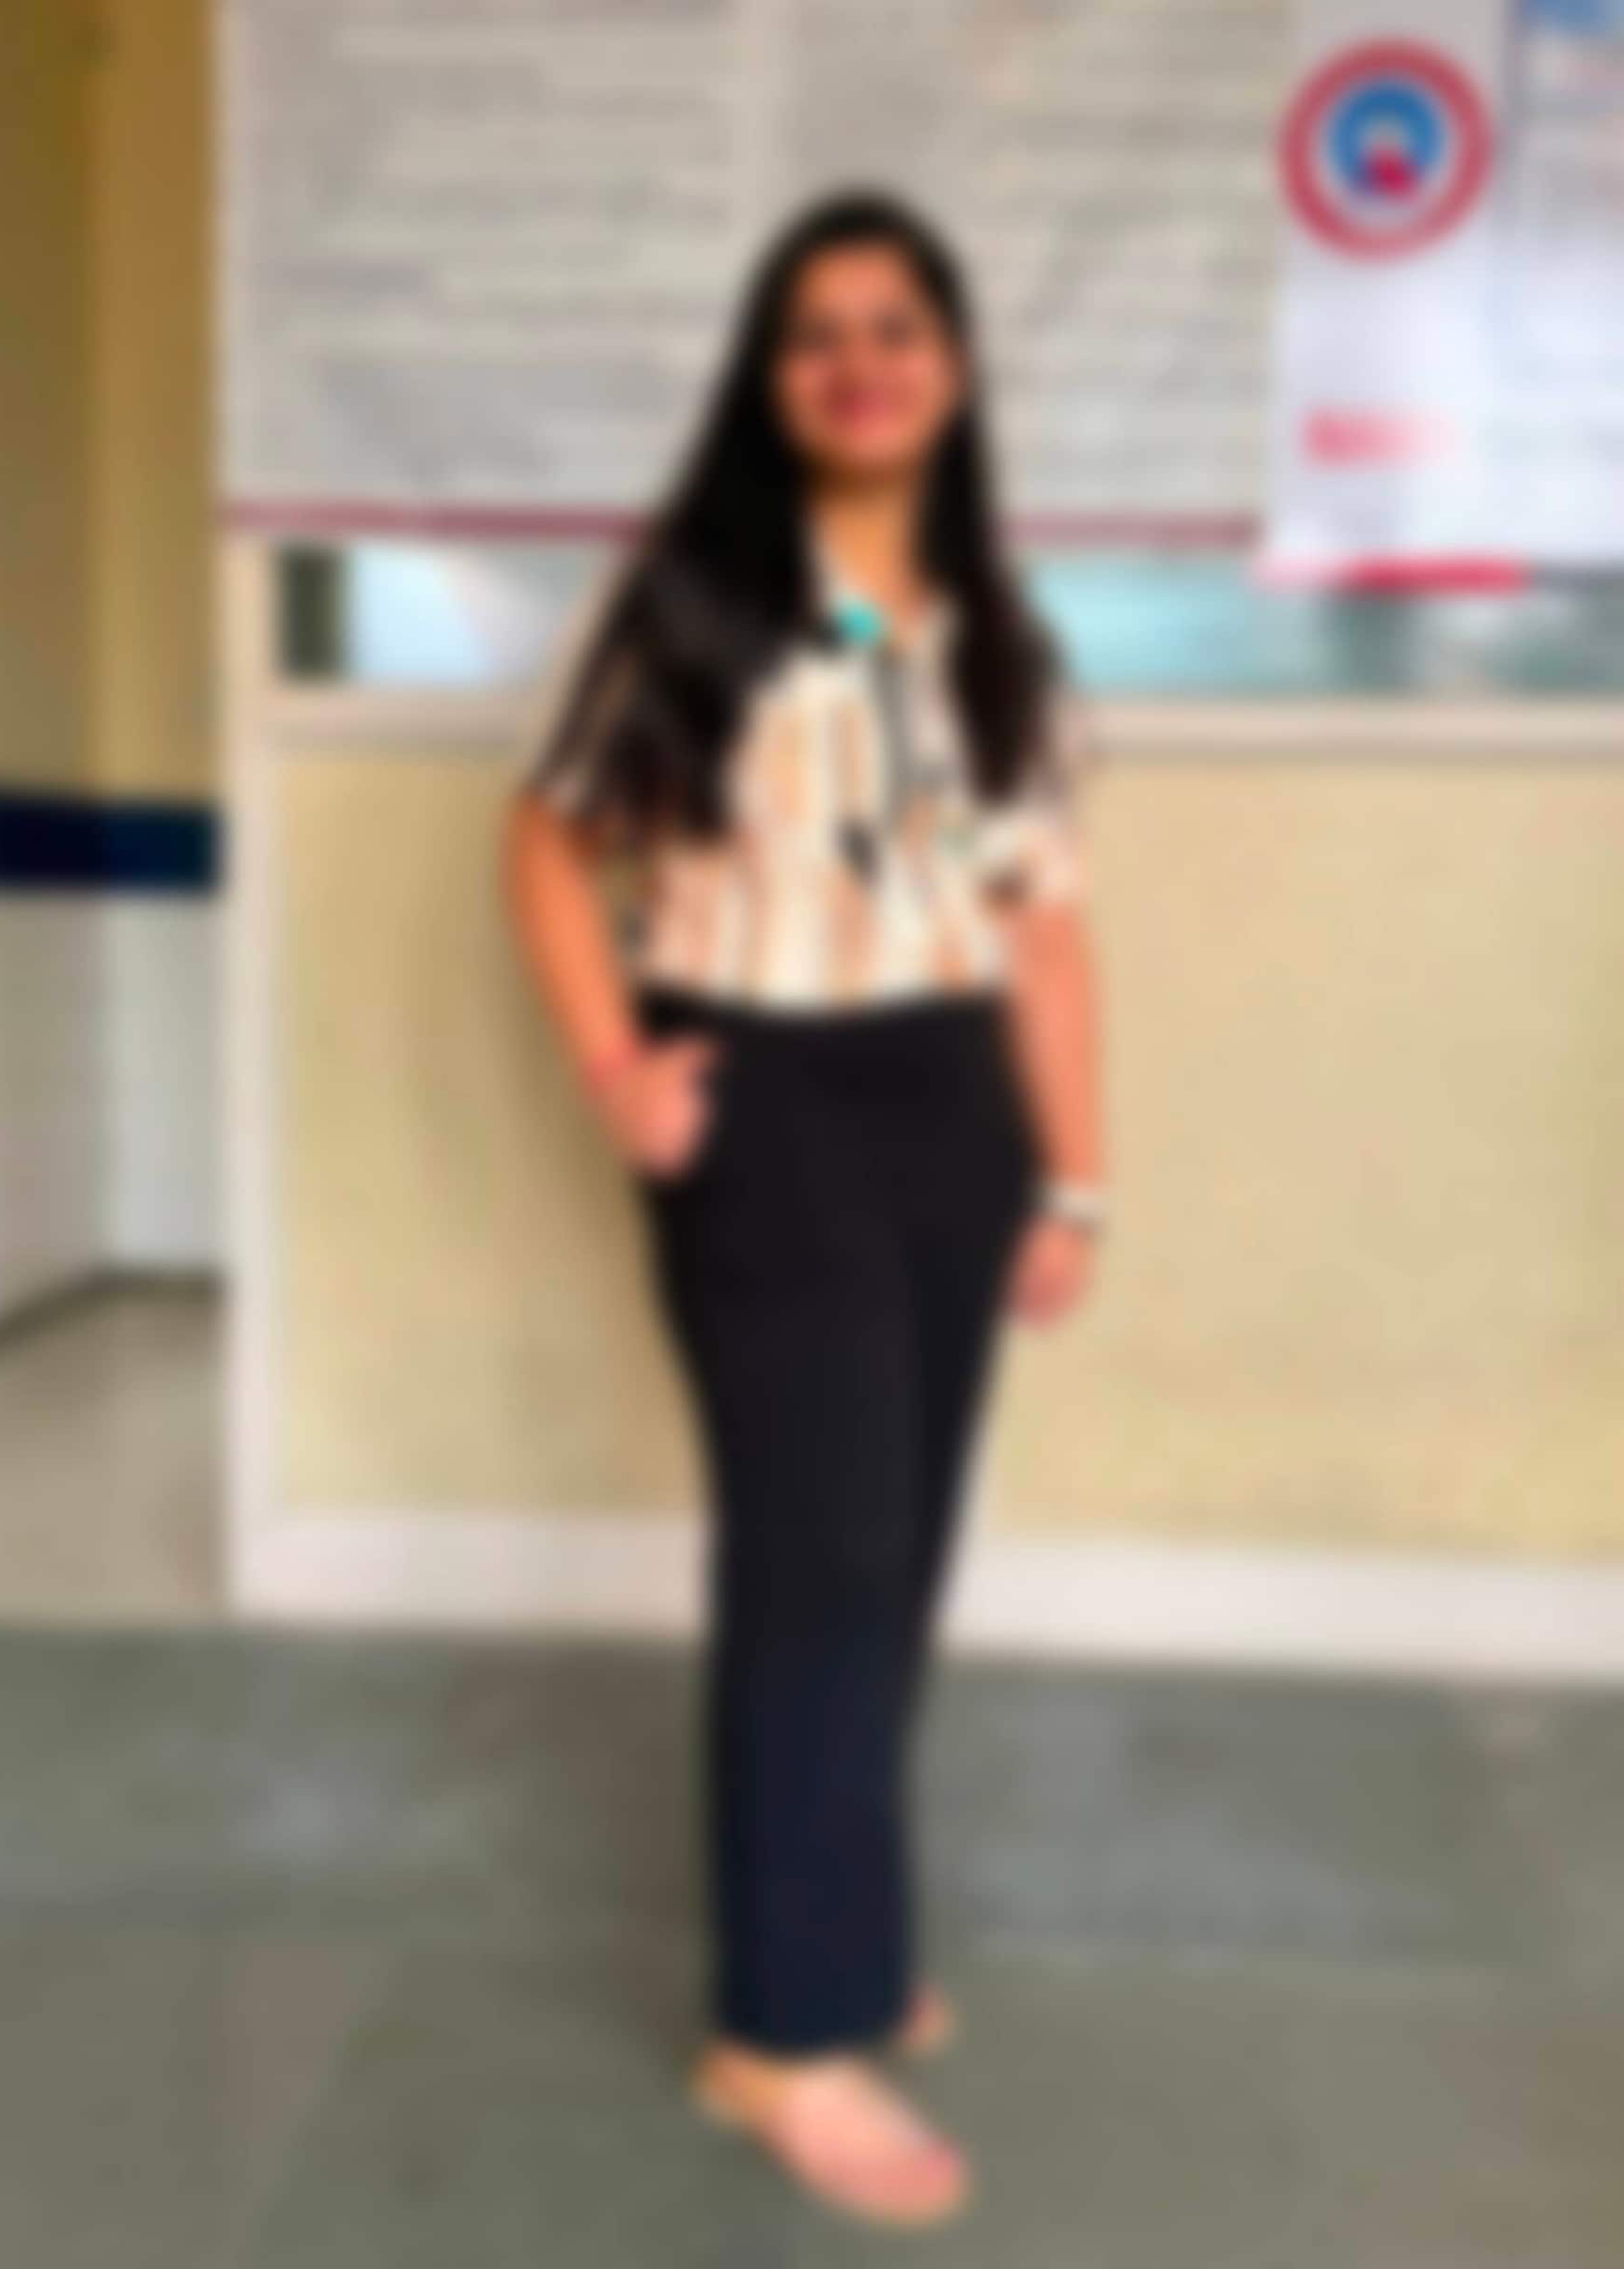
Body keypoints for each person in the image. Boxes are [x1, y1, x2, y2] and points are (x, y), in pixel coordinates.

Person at [503, 189, 1106, 2228]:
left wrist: (1076, 1177)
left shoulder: (999, 634)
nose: (861, 362)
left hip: (953, 1105)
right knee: (819, 1558)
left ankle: (835, 1922)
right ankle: (782, 2025)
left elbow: (1049, 935)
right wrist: (620, 1068)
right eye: (817, 331)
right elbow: (547, 837)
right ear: (772, 378)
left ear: (953, 365)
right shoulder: (689, 598)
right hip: (766, 1101)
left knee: (899, 1547)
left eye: (896, 326)